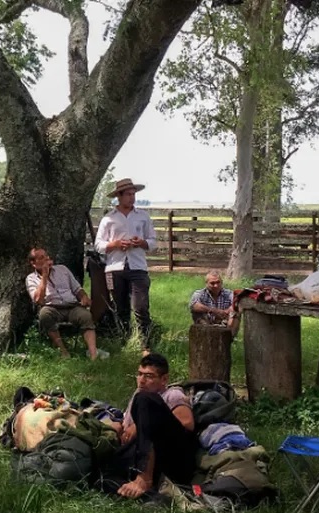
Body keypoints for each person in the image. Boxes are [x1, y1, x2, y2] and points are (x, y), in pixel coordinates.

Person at [103, 353, 198, 499]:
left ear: (164, 379)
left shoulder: (172, 395)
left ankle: (144, 479)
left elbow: (187, 425)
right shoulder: (139, 395)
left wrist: (139, 425)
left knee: (144, 399)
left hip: (174, 456)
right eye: (139, 374)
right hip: (145, 455)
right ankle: (152, 496)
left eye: (148, 376)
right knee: (102, 476)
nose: (141, 381)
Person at [95, 178, 157, 355]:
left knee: (141, 306)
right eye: (128, 194)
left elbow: (153, 242)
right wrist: (114, 244)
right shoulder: (108, 219)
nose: (132, 197)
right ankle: (124, 342)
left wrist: (141, 242)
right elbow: (99, 244)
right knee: (120, 307)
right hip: (115, 267)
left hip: (138, 265)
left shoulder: (143, 216)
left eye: (133, 194)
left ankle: (145, 344)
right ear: (119, 197)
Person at [25, 247, 108, 360]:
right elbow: (38, 300)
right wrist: (44, 276)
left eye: (47, 256)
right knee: (44, 315)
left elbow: (77, 289)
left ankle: (93, 353)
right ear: (33, 263)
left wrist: (83, 297)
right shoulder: (31, 278)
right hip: (52, 307)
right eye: (41, 258)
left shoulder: (62, 270)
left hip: (71, 305)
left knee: (85, 316)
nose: (46, 259)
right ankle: (63, 352)